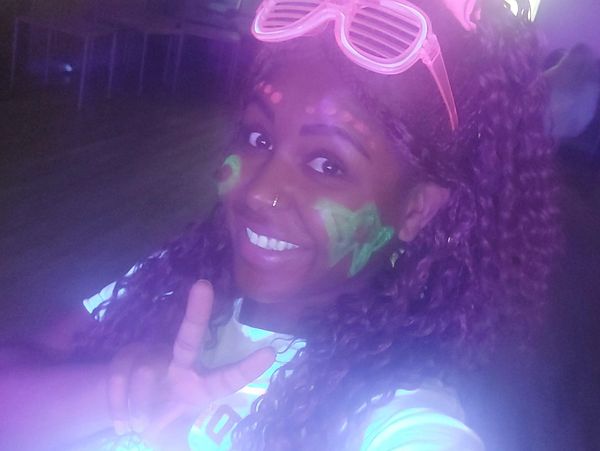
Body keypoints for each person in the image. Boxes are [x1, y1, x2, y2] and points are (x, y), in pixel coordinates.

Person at [0, 0, 560, 449]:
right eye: (258, 137)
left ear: (416, 210)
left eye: (328, 165)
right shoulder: (178, 284)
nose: (258, 191)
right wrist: (120, 392)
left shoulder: (394, 411)